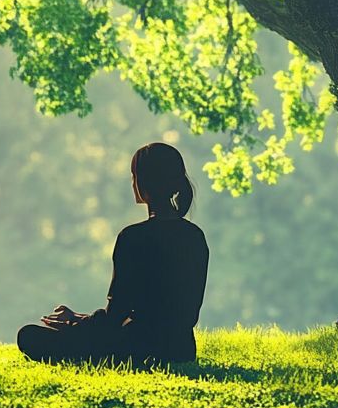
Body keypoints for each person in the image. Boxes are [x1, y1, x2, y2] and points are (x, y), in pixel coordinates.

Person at [17, 142, 208, 368]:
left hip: (134, 347)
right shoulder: (195, 236)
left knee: (28, 335)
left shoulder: (133, 237)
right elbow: (181, 313)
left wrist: (77, 326)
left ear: (142, 183)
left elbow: (116, 316)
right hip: (181, 349)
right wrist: (80, 320)